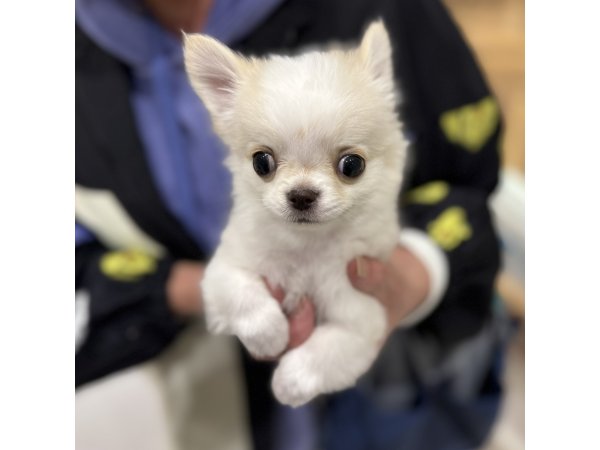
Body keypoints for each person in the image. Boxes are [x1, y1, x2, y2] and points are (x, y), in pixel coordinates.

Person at [75, 0, 505, 448]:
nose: (302, 191)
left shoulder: (389, 12)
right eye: (266, 164)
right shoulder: (74, 54)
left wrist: (416, 267)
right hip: (203, 396)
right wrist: (212, 293)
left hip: (405, 383)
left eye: (348, 166)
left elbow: (472, 183)